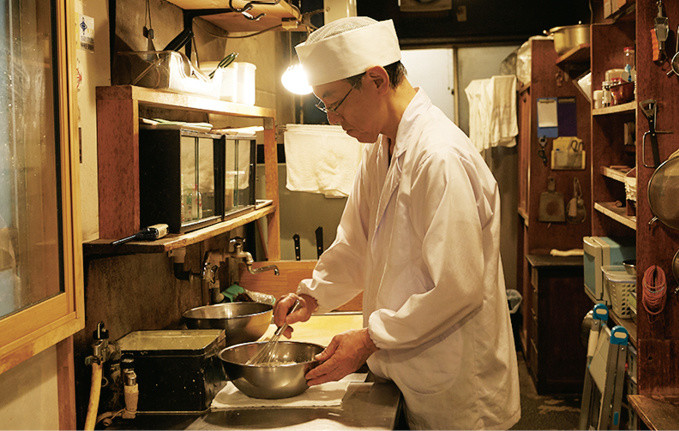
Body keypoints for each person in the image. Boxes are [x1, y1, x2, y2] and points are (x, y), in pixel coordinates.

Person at [273, 16, 520, 430]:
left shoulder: (439, 156)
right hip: (409, 376)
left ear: (376, 79)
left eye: (334, 103)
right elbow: (355, 244)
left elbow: (457, 287)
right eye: (323, 105)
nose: (332, 119)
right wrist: (312, 296)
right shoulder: (379, 149)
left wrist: (369, 338)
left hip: (460, 390)